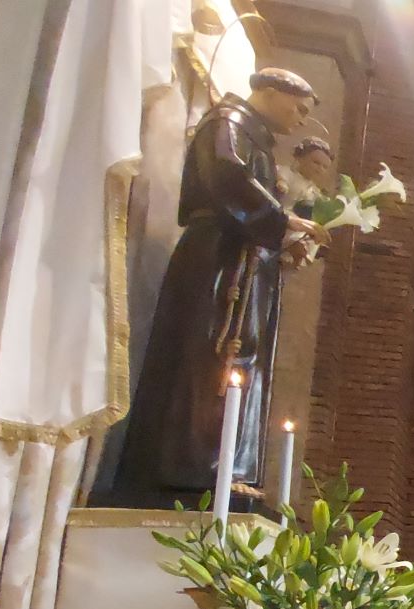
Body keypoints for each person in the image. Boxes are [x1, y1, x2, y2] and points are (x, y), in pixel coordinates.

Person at [117, 67, 328, 503]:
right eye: (299, 109)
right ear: (269, 92)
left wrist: (286, 241)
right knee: (210, 353)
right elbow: (228, 180)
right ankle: (191, 469)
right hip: (219, 259)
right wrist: (284, 221)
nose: (300, 120)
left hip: (246, 261)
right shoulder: (228, 124)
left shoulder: (256, 138)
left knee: (241, 357)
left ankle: (228, 467)